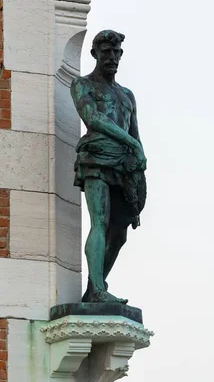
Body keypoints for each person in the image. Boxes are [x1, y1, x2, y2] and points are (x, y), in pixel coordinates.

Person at [71, 30, 147, 303]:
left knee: (120, 234)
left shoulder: (127, 95)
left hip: (124, 166)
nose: (112, 57)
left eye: (116, 53)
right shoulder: (82, 85)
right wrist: (132, 144)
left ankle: (96, 287)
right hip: (96, 158)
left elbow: (135, 135)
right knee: (100, 222)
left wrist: (137, 188)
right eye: (106, 52)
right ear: (95, 54)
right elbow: (93, 118)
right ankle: (98, 290)